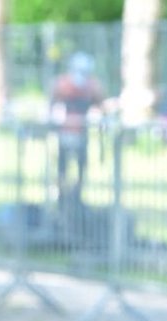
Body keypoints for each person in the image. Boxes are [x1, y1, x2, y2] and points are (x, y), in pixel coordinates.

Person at [49, 51, 105, 207]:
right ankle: (61, 198)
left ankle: (77, 197)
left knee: (81, 167)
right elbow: (53, 104)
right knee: (62, 168)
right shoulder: (62, 84)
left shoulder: (92, 86)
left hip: (81, 134)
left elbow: (100, 104)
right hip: (65, 133)